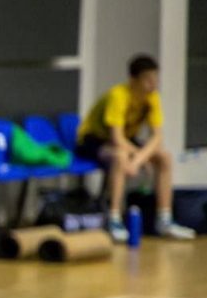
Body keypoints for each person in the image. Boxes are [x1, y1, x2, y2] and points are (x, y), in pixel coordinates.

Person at [76, 54, 195, 242]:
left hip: (127, 140)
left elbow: (157, 137)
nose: (153, 84)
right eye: (148, 80)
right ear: (133, 80)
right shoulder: (118, 96)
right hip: (94, 140)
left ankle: (164, 219)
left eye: (155, 79)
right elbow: (116, 138)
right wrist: (134, 159)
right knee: (120, 156)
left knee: (164, 157)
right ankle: (114, 218)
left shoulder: (152, 98)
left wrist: (139, 160)